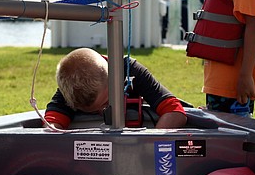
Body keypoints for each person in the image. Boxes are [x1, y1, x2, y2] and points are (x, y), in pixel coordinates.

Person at [43, 48, 187, 129]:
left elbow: (175, 112)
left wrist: (147, 156)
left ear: (113, 78)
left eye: (106, 103)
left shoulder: (130, 70)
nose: (103, 112)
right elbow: (50, 129)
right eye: (94, 111)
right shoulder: (70, 88)